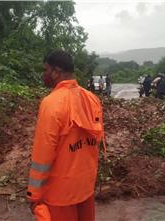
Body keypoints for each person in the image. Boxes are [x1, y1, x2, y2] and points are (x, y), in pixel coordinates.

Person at [27, 50, 105, 221]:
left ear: (56, 71)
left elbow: (43, 155)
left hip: (60, 194)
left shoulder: (51, 103)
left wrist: (34, 195)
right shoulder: (92, 99)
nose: (44, 75)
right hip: (85, 188)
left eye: (46, 70)